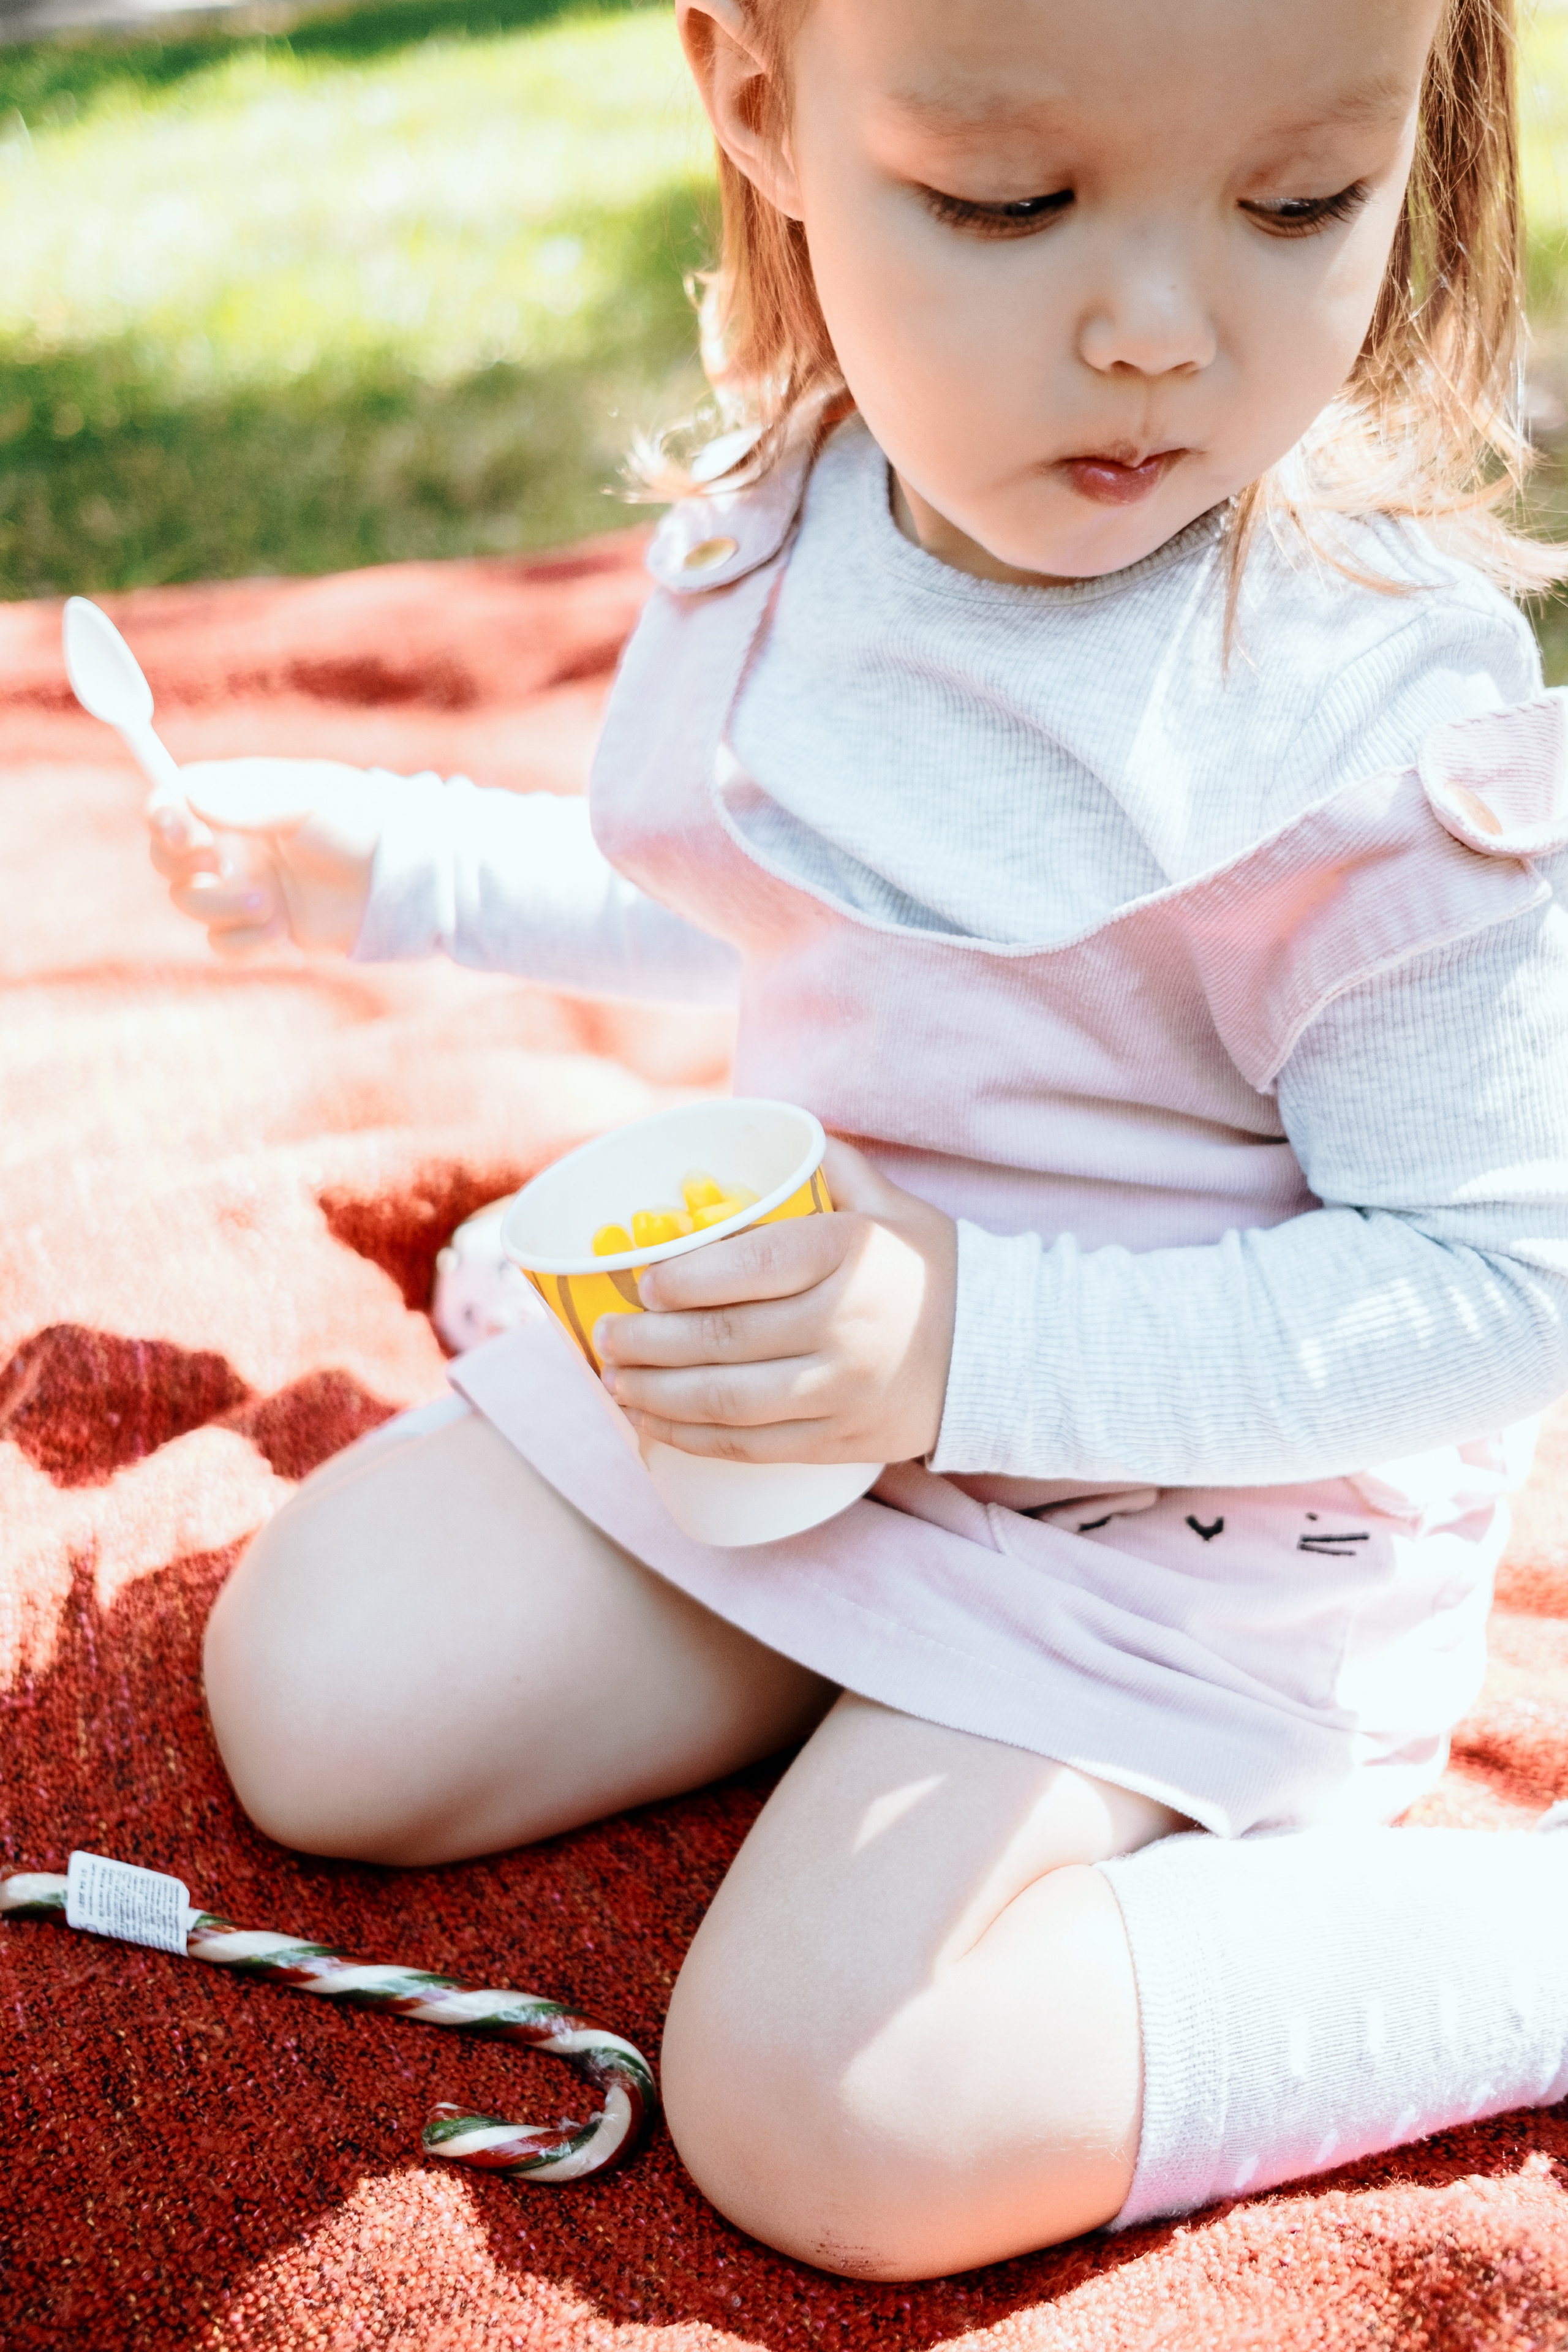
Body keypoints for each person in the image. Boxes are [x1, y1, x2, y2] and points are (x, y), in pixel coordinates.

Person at [153, 0, 1568, 2280]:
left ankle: (1533, 1943)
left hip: (1184, 1518)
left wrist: (971, 1349)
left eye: (1302, 200)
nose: (1156, 330)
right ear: (757, 103)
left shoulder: (1369, 733)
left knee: (841, 2110)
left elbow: (1505, 1288)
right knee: (320, 1703)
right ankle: (837, 1654)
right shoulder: (791, 531)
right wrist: (403, 864)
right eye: (1009, 202)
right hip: (813, 1391)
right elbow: (784, 896)